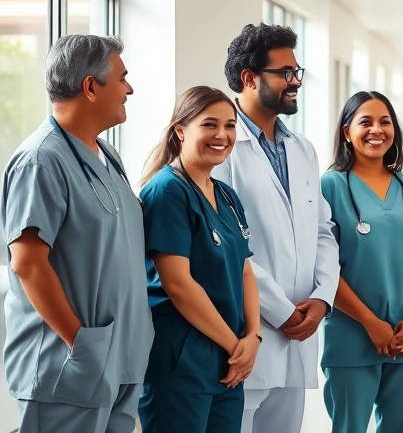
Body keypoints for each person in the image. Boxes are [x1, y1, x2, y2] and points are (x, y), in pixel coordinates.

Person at [2, 35, 153, 433]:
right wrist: (82, 344)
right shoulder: (40, 160)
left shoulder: (107, 156)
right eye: (122, 78)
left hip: (119, 358)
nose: (129, 89)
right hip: (69, 364)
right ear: (90, 87)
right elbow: (28, 264)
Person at [213, 23, 340, 433]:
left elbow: (323, 231)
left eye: (296, 71)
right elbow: (230, 247)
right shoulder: (221, 147)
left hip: (300, 331)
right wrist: (282, 311)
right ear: (250, 79)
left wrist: (321, 300)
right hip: (250, 332)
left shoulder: (302, 149)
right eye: (285, 73)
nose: (295, 81)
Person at [136, 86, 262, 432]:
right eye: (209, 125)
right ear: (180, 130)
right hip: (183, 357)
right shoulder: (167, 191)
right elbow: (177, 284)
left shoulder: (226, 194)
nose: (222, 135)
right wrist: (236, 344)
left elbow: (245, 270)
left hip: (228, 360)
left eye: (230, 125)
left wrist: (253, 336)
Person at [319, 91, 403, 433]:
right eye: (365, 122)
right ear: (347, 132)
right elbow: (324, 268)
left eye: (385, 122)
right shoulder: (330, 186)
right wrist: (370, 322)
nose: (377, 130)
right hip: (352, 336)